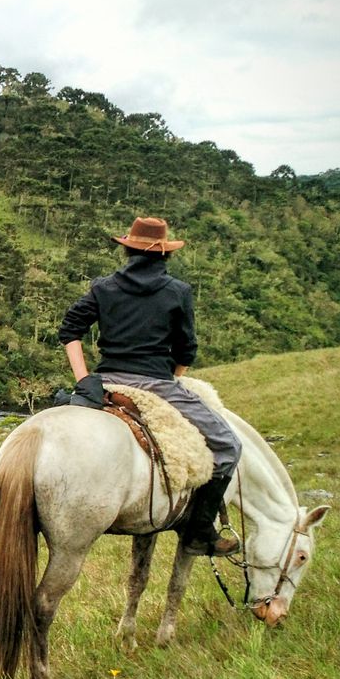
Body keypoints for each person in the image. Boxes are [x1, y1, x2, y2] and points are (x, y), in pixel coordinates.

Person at [57, 216, 241, 556]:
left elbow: (70, 330)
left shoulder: (103, 287)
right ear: (164, 254)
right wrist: (171, 377)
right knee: (228, 447)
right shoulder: (178, 292)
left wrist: (84, 380)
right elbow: (187, 351)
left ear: (127, 249)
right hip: (157, 383)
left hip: (107, 380)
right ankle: (200, 531)